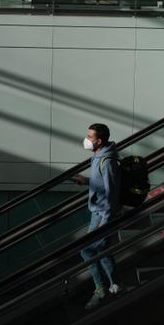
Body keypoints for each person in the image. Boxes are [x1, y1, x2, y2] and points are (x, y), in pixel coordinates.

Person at [71, 123, 122, 309]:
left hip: (104, 214)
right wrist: (86, 181)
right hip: (97, 212)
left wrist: (105, 222)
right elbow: (101, 183)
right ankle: (113, 285)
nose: (86, 140)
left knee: (88, 250)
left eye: (90, 137)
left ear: (99, 141)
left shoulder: (107, 161)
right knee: (99, 250)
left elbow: (111, 193)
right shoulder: (98, 156)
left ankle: (104, 288)